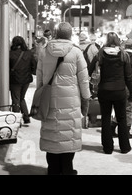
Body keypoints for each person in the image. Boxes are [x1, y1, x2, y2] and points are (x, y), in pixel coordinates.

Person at [36, 22, 91, 175]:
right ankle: (67, 169)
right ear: (70, 35)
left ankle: (53, 170)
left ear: (55, 34)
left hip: (49, 100)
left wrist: (41, 93)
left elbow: (39, 77)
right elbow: (84, 79)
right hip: (71, 101)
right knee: (68, 135)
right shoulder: (76, 52)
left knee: (52, 135)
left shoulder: (44, 51)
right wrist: (86, 97)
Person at [88, 31, 132, 154]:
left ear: (107, 40)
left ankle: (107, 148)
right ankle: (124, 147)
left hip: (104, 90)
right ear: (118, 41)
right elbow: (129, 77)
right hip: (120, 91)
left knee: (105, 118)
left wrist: (90, 85)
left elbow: (89, 69)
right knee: (122, 119)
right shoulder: (124, 55)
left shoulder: (100, 54)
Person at [111, 38, 132, 138]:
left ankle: (112, 127)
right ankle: (126, 131)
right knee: (128, 108)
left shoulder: (120, 55)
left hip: (118, 85)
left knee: (119, 108)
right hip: (129, 86)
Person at [9, 36, 37, 124]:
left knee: (16, 99)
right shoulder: (29, 53)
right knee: (21, 98)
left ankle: (16, 120)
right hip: (26, 80)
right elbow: (34, 66)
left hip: (15, 80)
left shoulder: (10, 54)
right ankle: (26, 117)